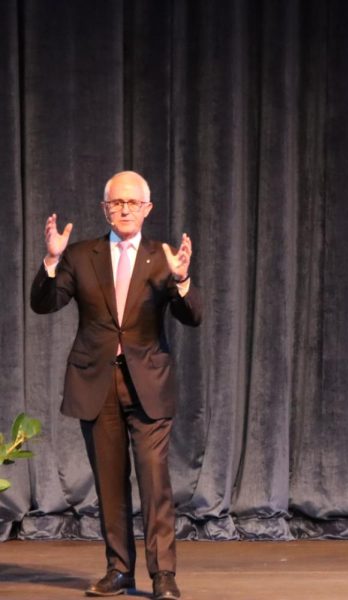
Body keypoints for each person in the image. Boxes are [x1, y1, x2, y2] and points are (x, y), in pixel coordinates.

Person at [30, 171, 202, 600]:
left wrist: (182, 281)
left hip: (149, 385)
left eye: (132, 203)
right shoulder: (80, 255)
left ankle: (163, 576)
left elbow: (193, 316)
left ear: (147, 208)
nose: (124, 209)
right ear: (105, 208)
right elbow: (44, 304)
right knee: (110, 482)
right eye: (116, 203)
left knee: (155, 481)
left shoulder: (163, 257)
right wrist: (51, 262)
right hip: (96, 383)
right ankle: (119, 571)